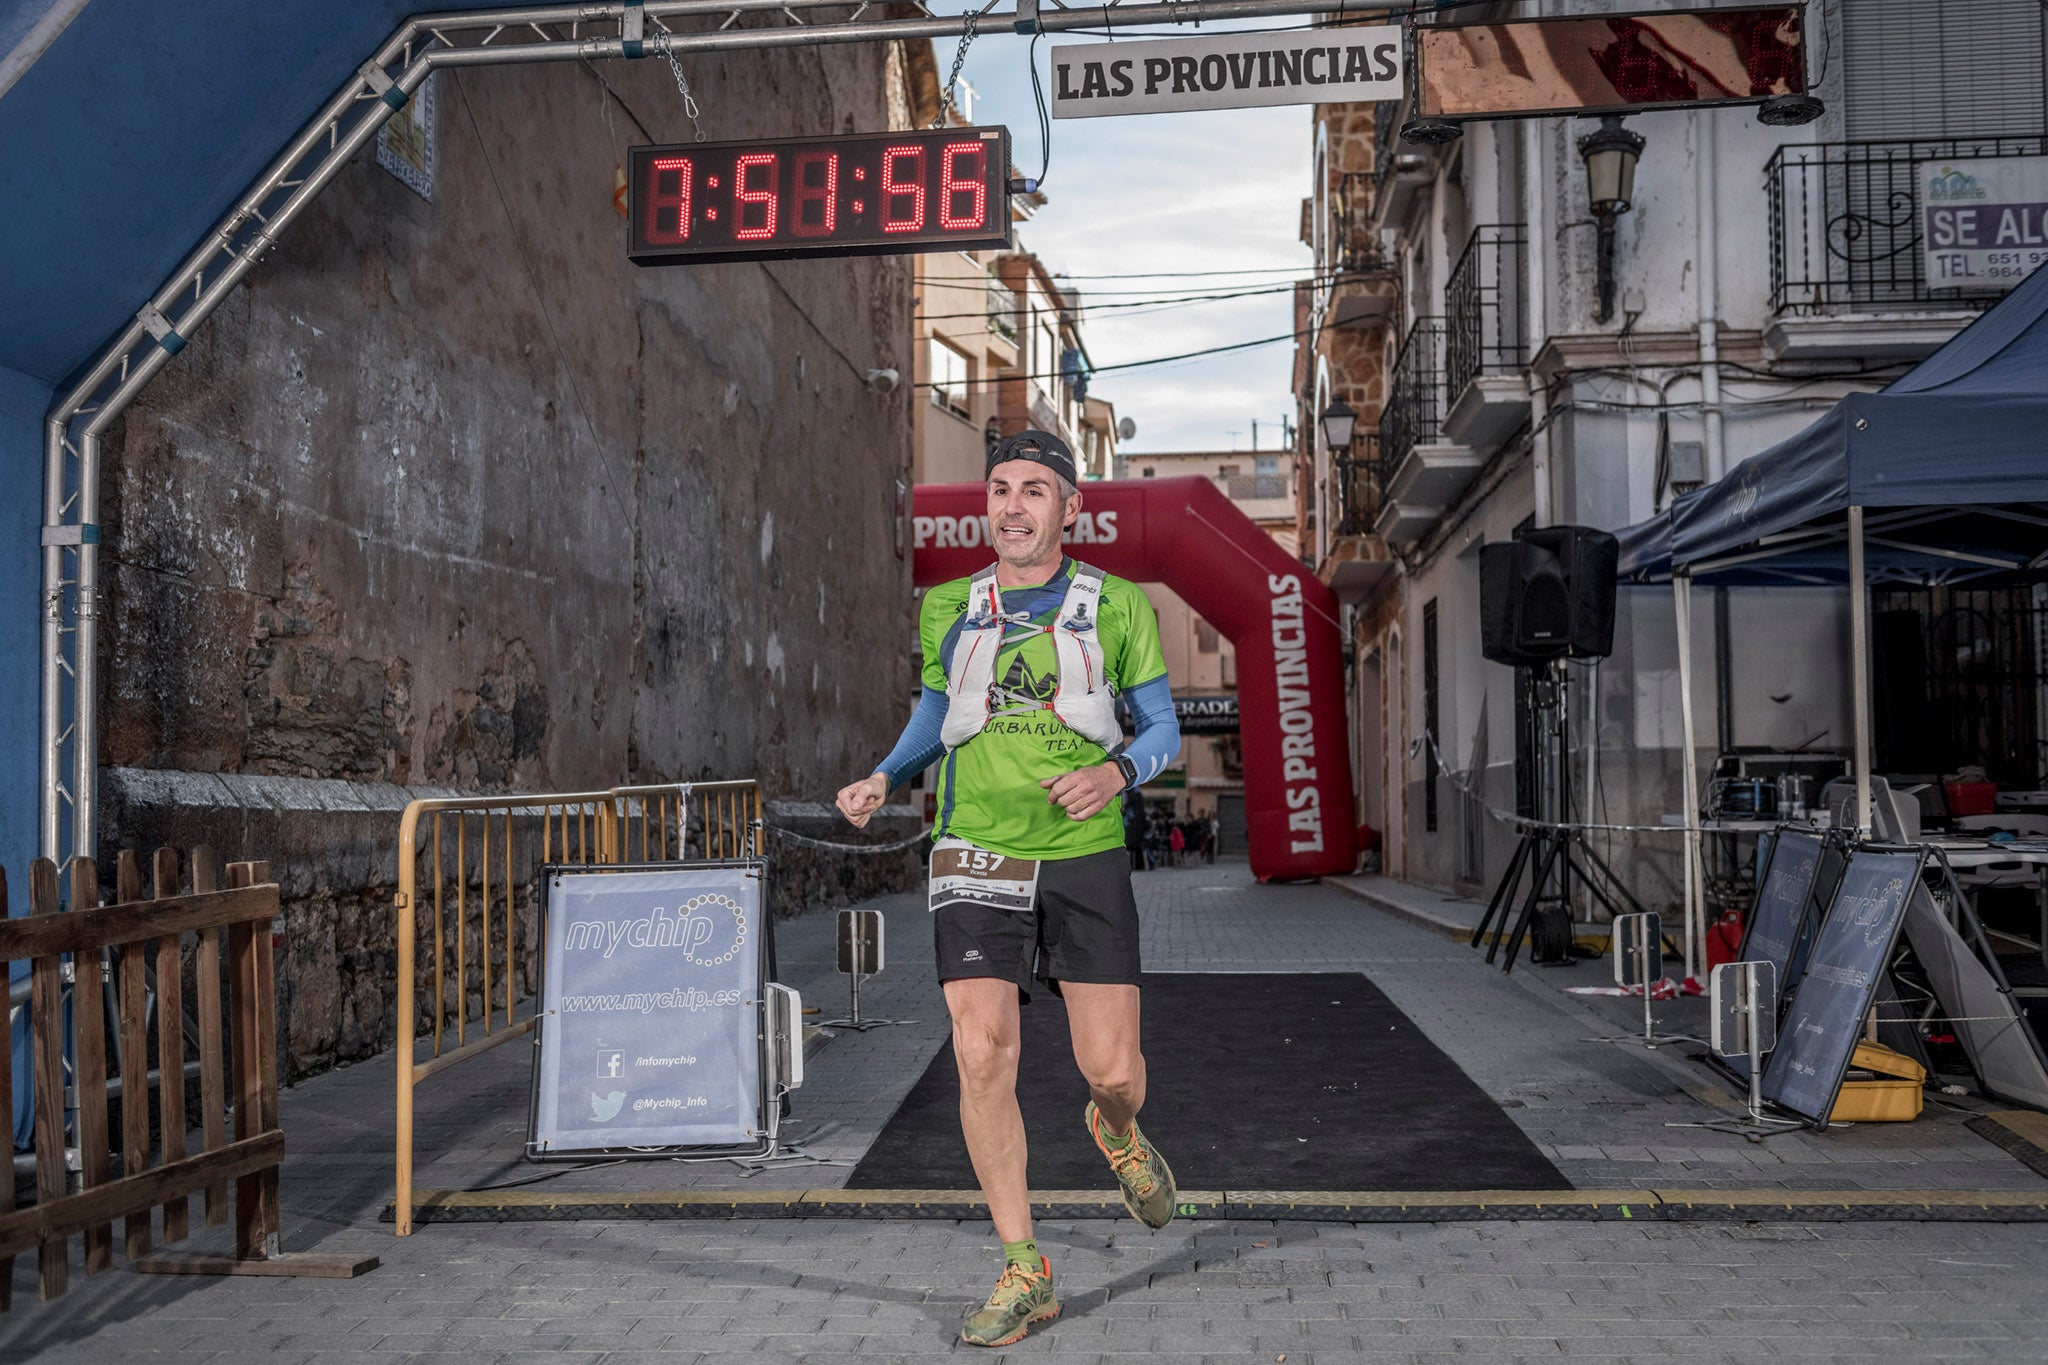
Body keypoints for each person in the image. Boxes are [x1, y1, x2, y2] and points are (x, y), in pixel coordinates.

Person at [836, 430, 1182, 1348]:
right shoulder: (951, 603)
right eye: (1000, 488)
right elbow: (936, 710)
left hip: (1082, 845)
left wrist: (1115, 775)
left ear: (1071, 505)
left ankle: (1116, 1131)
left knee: (1113, 1069)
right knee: (981, 1050)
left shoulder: (1119, 604)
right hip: (973, 844)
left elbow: (1164, 727)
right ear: (985, 503)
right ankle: (1026, 1268)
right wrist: (882, 774)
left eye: (1035, 488)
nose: (1014, 505)